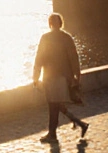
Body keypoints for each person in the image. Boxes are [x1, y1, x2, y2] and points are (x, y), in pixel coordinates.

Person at [33, 13, 88, 143]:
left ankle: (53, 134)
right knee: (55, 103)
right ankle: (79, 123)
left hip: (50, 76)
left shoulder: (45, 38)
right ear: (60, 23)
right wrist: (76, 76)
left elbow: (39, 58)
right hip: (63, 77)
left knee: (53, 104)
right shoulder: (67, 38)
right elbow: (74, 58)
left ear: (50, 23)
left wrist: (36, 76)